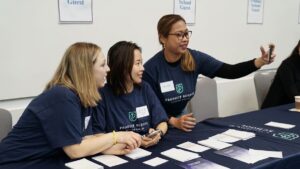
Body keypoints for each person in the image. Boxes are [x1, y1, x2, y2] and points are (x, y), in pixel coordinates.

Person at [0, 42, 142, 169]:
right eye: (102, 64)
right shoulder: (62, 96)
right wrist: (116, 136)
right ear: (86, 69)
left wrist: (107, 149)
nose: (108, 69)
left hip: (46, 160)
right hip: (17, 163)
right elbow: (75, 150)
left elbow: (86, 138)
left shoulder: (85, 96)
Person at [143, 14, 275, 132]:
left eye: (186, 34)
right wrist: (173, 121)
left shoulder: (195, 58)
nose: (184, 39)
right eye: (178, 35)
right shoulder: (151, 69)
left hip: (181, 119)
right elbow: (150, 107)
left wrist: (260, 62)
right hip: (158, 124)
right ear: (163, 38)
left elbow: (230, 71)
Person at [93, 41, 168, 148]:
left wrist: (157, 133)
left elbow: (162, 122)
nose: (142, 68)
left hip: (149, 148)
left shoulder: (145, 88)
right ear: (122, 66)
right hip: (119, 153)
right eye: (137, 64)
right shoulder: (102, 95)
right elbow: (98, 136)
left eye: (141, 63)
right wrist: (136, 142)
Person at [261, 40, 300, 109]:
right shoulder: (287, 65)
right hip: (277, 109)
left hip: (294, 107)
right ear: (298, 48)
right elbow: (293, 94)